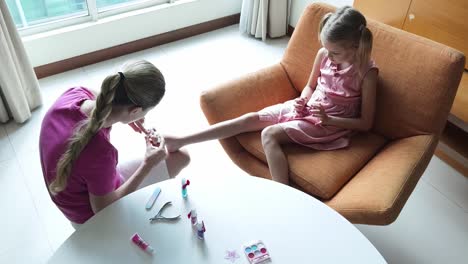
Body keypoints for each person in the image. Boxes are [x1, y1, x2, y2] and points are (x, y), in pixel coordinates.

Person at [165, 6, 378, 185]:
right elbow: (310, 86)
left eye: (335, 53)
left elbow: (366, 123)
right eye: (326, 50)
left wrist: (328, 119)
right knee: (250, 119)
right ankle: (182, 140)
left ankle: (282, 196)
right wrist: (304, 98)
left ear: (355, 46)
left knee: (269, 134)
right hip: (307, 107)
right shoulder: (323, 55)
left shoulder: (367, 74)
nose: (329, 56)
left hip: (330, 124)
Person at [39, 60, 190, 228]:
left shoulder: (73, 94)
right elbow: (104, 210)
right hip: (90, 219)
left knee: (180, 157)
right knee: (181, 158)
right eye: (144, 113)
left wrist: (128, 117)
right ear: (135, 110)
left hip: (73, 198)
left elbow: (99, 100)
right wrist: (148, 164)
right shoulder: (100, 153)